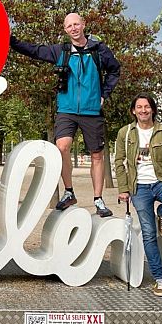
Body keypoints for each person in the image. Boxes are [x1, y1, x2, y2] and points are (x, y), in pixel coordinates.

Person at [10, 13, 120, 217]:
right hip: (66, 109)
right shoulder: (61, 51)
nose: (74, 28)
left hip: (91, 110)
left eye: (76, 24)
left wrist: (104, 94)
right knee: (62, 147)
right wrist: (11, 41)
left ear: (84, 24)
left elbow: (115, 70)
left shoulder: (99, 50)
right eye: (69, 26)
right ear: (65, 30)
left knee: (97, 155)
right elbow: (34, 51)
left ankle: (98, 199)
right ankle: (69, 192)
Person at [114, 93, 162, 297]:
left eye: (147, 106)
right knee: (148, 232)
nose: (143, 110)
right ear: (133, 111)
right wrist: (123, 188)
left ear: (153, 109)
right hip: (139, 188)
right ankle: (160, 279)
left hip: (161, 182)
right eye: (139, 107)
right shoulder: (125, 133)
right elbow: (119, 162)